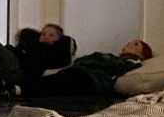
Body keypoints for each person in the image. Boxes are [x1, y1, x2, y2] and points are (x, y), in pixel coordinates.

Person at [24, 39, 152, 97]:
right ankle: (19, 87)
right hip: (79, 71)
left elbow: (108, 68)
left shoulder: (130, 63)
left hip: (91, 79)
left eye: (135, 44)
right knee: (54, 79)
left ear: (141, 54)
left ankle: (19, 89)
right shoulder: (112, 57)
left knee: (55, 83)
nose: (129, 43)